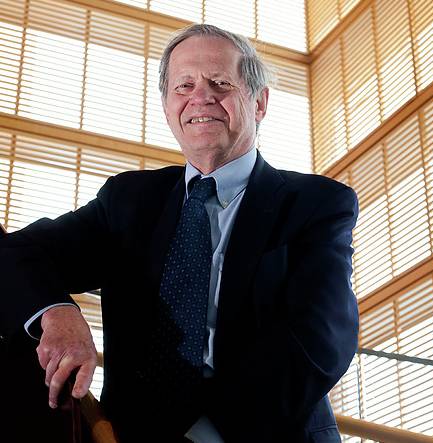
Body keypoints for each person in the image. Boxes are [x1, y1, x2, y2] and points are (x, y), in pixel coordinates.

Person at [0, 24, 359, 443]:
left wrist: (199, 431)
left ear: (259, 102)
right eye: (183, 86)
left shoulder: (316, 204)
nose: (200, 97)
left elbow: (322, 340)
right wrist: (58, 312)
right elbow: (17, 252)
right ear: (167, 106)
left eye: (220, 83)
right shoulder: (129, 200)